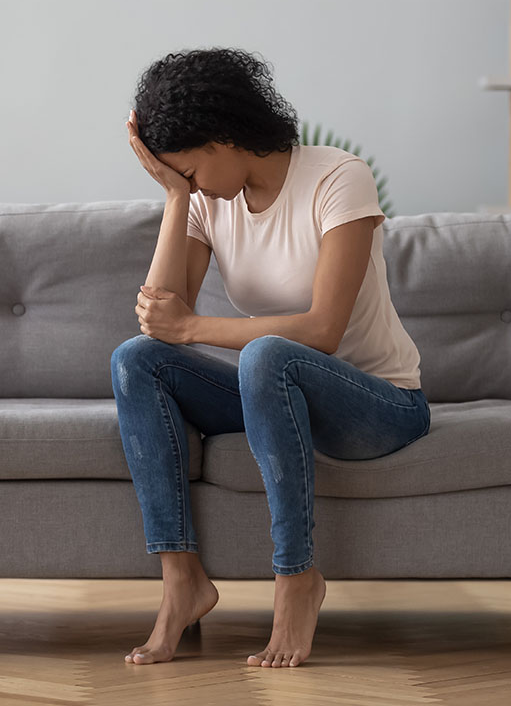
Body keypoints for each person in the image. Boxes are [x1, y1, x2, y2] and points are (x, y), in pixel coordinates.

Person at [111, 47, 429, 668]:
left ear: (225, 137)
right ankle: (183, 581)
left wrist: (193, 326)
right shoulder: (206, 200)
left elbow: (322, 330)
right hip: (277, 396)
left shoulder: (339, 178)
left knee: (267, 355)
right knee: (136, 359)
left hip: (377, 403)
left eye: (190, 170)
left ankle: (297, 578)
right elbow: (160, 316)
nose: (191, 183)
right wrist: (177, 200)